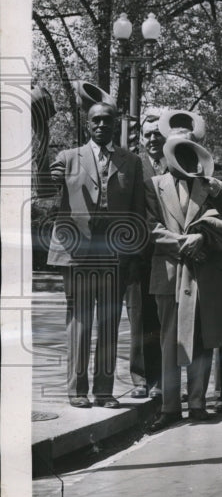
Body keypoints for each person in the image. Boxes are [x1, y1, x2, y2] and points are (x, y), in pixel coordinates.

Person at [41, 101, 146, 409]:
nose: (101, 125)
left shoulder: (132, 162)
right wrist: (44, 161)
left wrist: (134, 256)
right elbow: (45, 191)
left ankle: (104, 391)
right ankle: (77, 391)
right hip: (78, 253)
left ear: (116, 125)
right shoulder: (68, 158)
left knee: (110, 322)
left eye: (107, 120)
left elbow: (137, 212)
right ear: (87, 125)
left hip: (115, 254)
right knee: (80, 321)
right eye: (96, 120)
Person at [146, 130, 222, 431]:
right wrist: (184, 241)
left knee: (202, 340)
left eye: (191, 150)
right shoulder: (153, 185)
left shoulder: (214, 185)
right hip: (170, 272)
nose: (185, 156)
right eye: (178, 149)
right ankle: (170, 406)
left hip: (207, 273)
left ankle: (198, 403)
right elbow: (149, 226)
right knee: (169, 340)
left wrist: (204, 236)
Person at [126, 110, 167, 399]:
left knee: (166, 320)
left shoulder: (178, 162)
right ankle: (142, 378)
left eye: (158, 133)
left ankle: (163, 378)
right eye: (148, 134)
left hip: (171, 254)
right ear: (141, 139)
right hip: (140, 254)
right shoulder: (134, 166)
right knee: (141, 318)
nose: (153, 138)